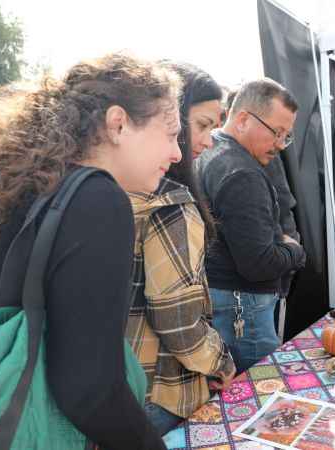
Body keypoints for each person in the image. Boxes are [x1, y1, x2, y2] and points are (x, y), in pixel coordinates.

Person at [0, 53, 181, 450]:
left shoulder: (23, 184)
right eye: (171, 132)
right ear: (118, 123)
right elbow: (90, 388)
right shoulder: (98, 199)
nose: (178, 154)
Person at [125, 62, 235, 435]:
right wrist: (221, 363)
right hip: (162, 392)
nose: (209, 140)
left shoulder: (108, 188)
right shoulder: (169, 203)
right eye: (202, 125)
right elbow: (179, 324)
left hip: (118, 389)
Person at [197, 79, 306, 373]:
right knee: (258, 389)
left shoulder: (212, 150)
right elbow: (259, 264)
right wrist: (295, 252)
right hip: (243, 306)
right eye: (276, 132)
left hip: (227, 297)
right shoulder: (242, 173)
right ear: (243, 119)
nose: (281, 145)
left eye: (287, 136)